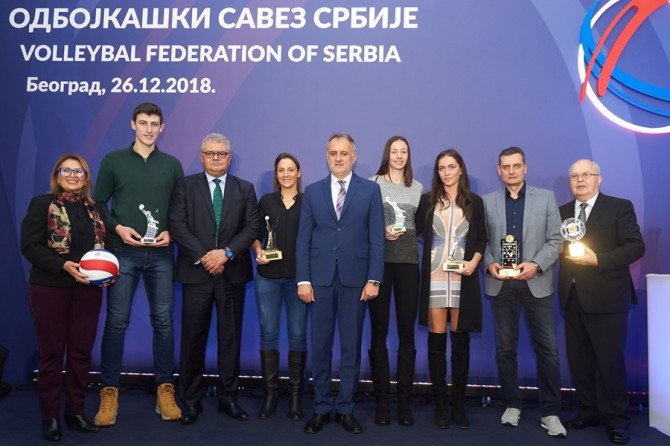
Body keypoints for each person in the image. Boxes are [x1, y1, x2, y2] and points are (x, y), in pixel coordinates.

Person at [92, 102, 184, 426]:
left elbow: (180, 208)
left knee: (164, 323)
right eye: (143, 123)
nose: (148, 129)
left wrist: (172, 231)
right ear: (133, 124)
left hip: (161, 254)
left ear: (162, 128)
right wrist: (117, 227)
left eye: (154, 124)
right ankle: (108, 392)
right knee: (117, 322)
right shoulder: (113, 160)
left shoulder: (172, 165)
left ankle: (165, 390)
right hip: (123, 252)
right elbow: (98, 204)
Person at [296, 133, 385, 435]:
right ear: (327, 156)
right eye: (333, 153)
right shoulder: (312, 191)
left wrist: (373, 279)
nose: (338, 158)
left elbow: (377, 238)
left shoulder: (370, 190)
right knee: (320, 347)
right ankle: (321, 407)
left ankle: (346, 408)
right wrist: (303, 279)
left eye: (343, 153)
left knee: (351, 348)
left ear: (353, 157)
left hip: (356, 281)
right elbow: (303, 239)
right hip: (319, 280)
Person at [169, 133, 259, 425]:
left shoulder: (244, 188)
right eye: (211, 153)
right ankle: (190, 400)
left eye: (221, 153)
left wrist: (226, 253)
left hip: (232, 273)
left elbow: (252, 226)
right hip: (196, 272)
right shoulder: (185, 186)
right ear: (202, 156)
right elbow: (177, 224)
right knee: (192, 339)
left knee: (230, 339)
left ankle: (228, 397)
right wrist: (205, 256)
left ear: (229, 158)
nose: (216, 158)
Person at [21, 154, 109, 441]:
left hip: (87, 290)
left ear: (86, 177)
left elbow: (104, 250)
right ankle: (50, 417)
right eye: (66, 170)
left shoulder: (97, 209)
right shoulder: (41, 204)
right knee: (52, 354)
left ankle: (75, 412)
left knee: (81, 354)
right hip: (50, 287)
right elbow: (29, 246)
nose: (72, 175)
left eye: (78, 171)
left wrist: (109, 272)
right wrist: (63, 265)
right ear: (57, 175)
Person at [558, 159, 644, 445]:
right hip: (572, 297)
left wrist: (599, 260)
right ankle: (588, 411)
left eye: (586, 174)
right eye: (574, 176)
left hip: (608, 298)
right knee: (579, 360)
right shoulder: (562, 212)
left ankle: (616, 419)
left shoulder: (619, 207)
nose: (580, 180)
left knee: (609, 361)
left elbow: (636, 246)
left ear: (599, 178)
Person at [482, 146, 566, 437]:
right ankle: (512, 404)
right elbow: (481, 242)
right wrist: (490, 264)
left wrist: (536, 265)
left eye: (516, 166)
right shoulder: (487, 202)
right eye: (505, 166)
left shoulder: (546, 198)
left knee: (549, 351)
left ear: (525, 167)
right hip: (502, 285)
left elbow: (556, 240)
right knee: (505, 349)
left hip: (536, 283)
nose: (511, 171)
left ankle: (550, 412)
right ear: (499, 170)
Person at [416, 149, 486, 430]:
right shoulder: (427, 201)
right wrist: (437, 251)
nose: (446, 172)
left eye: (451, 166)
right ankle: (440, 404)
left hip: (462, 278)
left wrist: (473, 263)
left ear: (461, 169)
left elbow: (481, 238)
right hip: (434, 276)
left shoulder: (475, 202)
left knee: (460, 342)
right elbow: (419, 231)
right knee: (436, 342)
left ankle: (458, 403)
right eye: (441, 168)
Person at [368, 136, 423, 426]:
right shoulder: (372, 183)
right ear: (387, 154)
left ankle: (403, 401)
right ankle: (381, 401)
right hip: (379, 266)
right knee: (378, 332)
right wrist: (381, 230)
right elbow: (363, 222)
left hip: (408, 265)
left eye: (404, 151)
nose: (399, 156)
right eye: (394, 151)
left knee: (406, 332)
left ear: (408, 156)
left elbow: (422, 228)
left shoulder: (418, 188)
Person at [252, 153, 308, 421]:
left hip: (299, 279)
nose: (286, 174)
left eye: (290, 169)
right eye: (281, 170)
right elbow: (255, 235)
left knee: (297, 335)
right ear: (277, 174)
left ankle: (295, 395)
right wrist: (258, 250)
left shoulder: (308, 202)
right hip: (268, 277)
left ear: (298, 173)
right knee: (269, 334)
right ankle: (271, 394)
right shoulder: (266, 201)